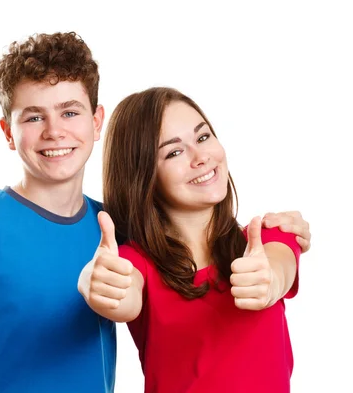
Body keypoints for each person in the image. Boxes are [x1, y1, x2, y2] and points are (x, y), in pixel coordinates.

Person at [0, 32, 311, 392]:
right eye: (34, 117)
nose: (55, 131)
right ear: (8, 132)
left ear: (96, 121)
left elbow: (158, 269)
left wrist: (286, 245)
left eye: (70, 112)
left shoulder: (118, 227)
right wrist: (102, 285)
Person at [79, 86, 305, 393]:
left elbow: (280, 267)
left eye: (202, 137)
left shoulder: (266, 239)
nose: (201, 158)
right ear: (142, 176)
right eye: (174, 152)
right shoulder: (136, 264)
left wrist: (269, 281)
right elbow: (124, 296)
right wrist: (101, 283)